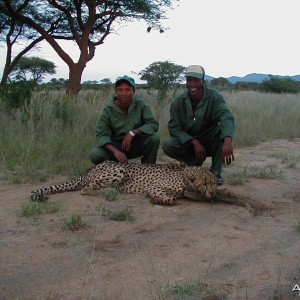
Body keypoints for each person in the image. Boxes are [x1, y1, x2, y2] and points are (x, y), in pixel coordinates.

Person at [162, 65, 235, 185]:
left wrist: (228, 139)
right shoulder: (178, 102)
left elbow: (226, 117)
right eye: (189, 80)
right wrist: (194, 142)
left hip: (209, 140)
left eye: (196, 80)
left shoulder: (214, 97)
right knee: (168, 145)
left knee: (221, 132)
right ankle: (193, 162)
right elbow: (174, 127)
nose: (192, 84)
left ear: (203, 81)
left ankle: (216, 173)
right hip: (190, 142)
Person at [89, 75, 160, 165]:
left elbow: (153, 125)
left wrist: (132, 133)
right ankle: (113, 171)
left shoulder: (141, 105)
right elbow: (101, 135)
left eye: (127, 90)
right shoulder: (108, 109)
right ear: (116, 92)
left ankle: (148, 170)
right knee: (95, 154)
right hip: (115, 146)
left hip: (135, 145)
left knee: (154, 138)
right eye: (120, 90)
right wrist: (115, 151)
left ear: (133, 91)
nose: (123, 93)